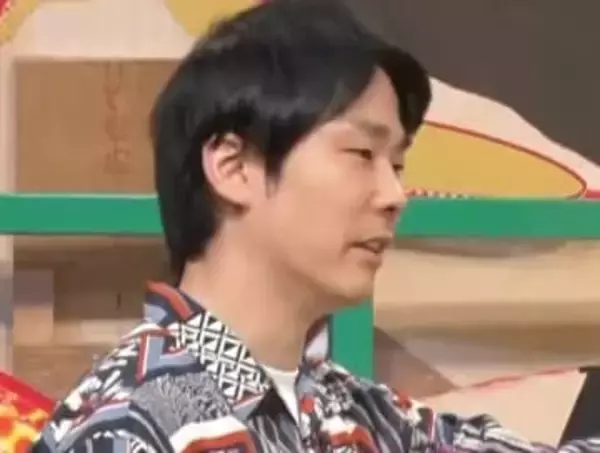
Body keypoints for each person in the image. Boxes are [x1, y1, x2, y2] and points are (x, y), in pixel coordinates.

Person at [28, 1, 599, 452]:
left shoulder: (351, 414)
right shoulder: (127, 426)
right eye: (361, 154)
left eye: (398, 165)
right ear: (233, 167)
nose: (394, 195)